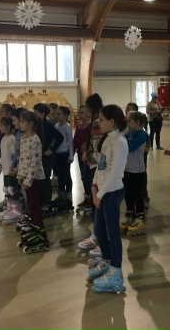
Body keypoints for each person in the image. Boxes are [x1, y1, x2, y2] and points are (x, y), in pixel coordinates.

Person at [87, 104, 128, 293]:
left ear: (112, 122)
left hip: (112, 193)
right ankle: (107, 261)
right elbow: (101, 166)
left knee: (113, 234)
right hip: (101, 193)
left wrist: (100, 194)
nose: (98, 122)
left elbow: (115, 173)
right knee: (98, 230)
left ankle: (116, 273)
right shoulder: (107, 139)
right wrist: (94, 187)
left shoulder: (120, 142)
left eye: (102, 120)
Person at [16, 111, 50, 254]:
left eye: (22, 121)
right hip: (26, 178)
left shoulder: (35, 140)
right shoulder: (24, 139)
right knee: (29, 206)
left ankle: (42, 234)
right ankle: (35, 229)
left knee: (33, 206)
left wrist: (28, 181)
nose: (20, 124)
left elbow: (35, 163)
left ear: (30, 124)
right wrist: (20, 175)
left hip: (35, 179)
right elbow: (22, 160)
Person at [77, 93, 104, 257]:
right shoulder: (100, 121)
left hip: (99, 169)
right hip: (98, 169)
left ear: (89, 109)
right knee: (97, 203)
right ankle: (97, 233)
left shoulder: (97, 124)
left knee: (99, 203)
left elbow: (99, 151)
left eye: (86, 109)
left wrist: (87, 156)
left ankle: (101, 238)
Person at [120, 111, 149, 237]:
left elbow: (128, 147)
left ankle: (140, 217)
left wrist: (123, 139)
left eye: (129, 121)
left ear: (137, 122)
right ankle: (130, 213)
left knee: (137, 194)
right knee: (128, 193)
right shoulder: (130, 133)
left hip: (137, 171)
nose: (127, 124)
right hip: (127, 169)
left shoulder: (142, 135)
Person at [32, 103, 63, 209]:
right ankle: (39, 199)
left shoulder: (48, 125)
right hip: (37, 155)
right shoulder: (35, 125)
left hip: (46, 156)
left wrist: (52, 150)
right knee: (38, 177)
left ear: (42, 114)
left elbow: (60, 137)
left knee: (45, 178)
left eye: (36, 112)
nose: (35, 114)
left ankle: (47, 200)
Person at [0, 116, 23, 225]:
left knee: (12, 189)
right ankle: (10, 209)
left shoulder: (12, 138)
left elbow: (14, 154)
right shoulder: (3, 139)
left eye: (1, 126)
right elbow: (3, 154)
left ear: (8, 127)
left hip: (11, 169)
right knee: (6, 189)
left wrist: (13, 166)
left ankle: (17, 211)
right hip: (5, 169)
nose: (0, 128)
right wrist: (0, 165)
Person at [48, 105, 74, 212]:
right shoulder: (56, 126)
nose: (57, 116)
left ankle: (68, 198)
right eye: (56, 113)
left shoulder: (67, 127)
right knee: (59, 176)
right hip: (57, 155)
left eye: (59, 114)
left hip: (64, 154)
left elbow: (70, 142)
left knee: (66, 175)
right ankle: (61, 195)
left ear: (66, 115)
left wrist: (71, 156)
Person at [73, 104, 91, 213]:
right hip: (80, 155)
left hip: (87, 155)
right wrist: (73, 151)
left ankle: (90, 197)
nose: (79, 115)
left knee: (88, 176)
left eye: (82, 113)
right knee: (83, 177)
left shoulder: (90, 126)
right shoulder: (79, 126)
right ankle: (87, 196)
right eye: (79, 113)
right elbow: (75, 140)